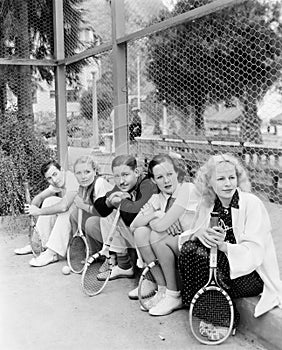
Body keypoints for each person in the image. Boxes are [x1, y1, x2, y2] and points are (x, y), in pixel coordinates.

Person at [178, 153, 282, 339]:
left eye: (232, 177)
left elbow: (255, 253)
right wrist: (198, 234)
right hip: (217, 267)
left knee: (205, 259)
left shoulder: (251, 203)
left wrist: (224, 246)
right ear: (209, 182)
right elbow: (192, 235)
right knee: (189, 249)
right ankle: (209, 311)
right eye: (221, 178)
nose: (228, 184)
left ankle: (225, 319)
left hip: (250, 275)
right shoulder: (209, 203)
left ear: (238, 179)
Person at [130, 154, 200, 316]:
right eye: (160, 177)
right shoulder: (158, 197)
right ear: (153, 180)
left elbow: (165, 226)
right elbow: (134, 225)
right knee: (141, 233)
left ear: (177, 173)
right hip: (171, 245)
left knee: (156, 235)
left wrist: (160, 219)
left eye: (170, 174)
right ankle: (162, 289)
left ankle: (173, 293)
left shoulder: (187, 190)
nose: (166, 181)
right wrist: (157, 215)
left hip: (191, 246)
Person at [92, 154, 158, 281]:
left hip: (151, 235)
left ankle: (150, 278)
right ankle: (123, 266)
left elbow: (132, 219)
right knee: (107, 212)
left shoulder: (148, 185)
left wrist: (121, 202)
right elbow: (98, 208)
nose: (121, 180)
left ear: (137, 172)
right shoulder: (123, 186)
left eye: (125, 175)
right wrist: (109, 202)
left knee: (139, 228)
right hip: (135, 234)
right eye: (116, 176)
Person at [14, 160, 79, 267]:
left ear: (61, 170)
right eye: (49, 178)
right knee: (49, 201)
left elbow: (64, 207)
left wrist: (39, 211)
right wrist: (32, 208)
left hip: (90, 216)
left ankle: (52, 253)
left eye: (55, 174)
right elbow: (39, 197)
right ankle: (38, 244)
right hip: (79, 215)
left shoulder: (71, 179)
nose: (54, 180)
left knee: (66, 210)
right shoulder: (58, 181)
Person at [70, 155, 114, 253]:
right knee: (74, 215)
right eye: (78, 173)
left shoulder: (100, 183)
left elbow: (102, 212)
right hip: (102, 222)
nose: (83, 176)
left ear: (95, 171)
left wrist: (82, 205)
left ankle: (106, 253)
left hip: (114, 227)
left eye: (87, 172)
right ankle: (80, 249)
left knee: (91, 222)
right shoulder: (83, 187)